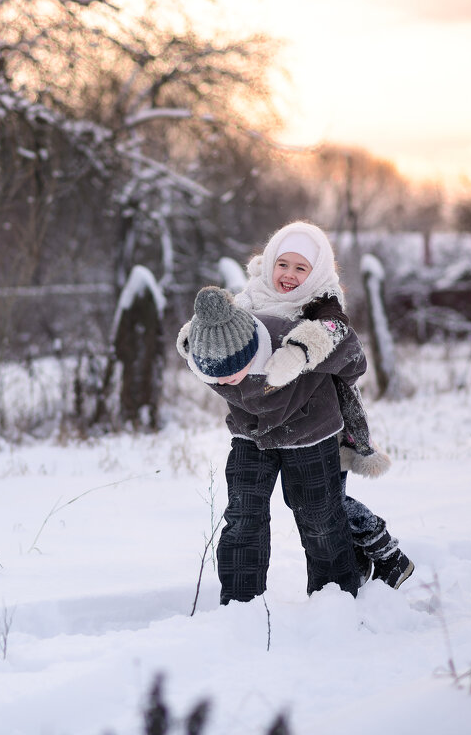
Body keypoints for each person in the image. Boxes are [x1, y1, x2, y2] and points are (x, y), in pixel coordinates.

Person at [234, 220, 414, 589]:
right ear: (269, 262)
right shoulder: (250, 298)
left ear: (315, 273)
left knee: (321, 506)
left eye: (301, 268)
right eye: (283, 264)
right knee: (310, 503)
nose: (289, 275)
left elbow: (336, 332)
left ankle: (383, 550)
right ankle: (363, 561)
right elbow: (223, 331)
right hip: (267, 423)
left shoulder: (322, 303)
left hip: (321, 425)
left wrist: (301, 350)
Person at [177, 285, 365, 602]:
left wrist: (322, 383)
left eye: (230, 373)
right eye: (215, 377)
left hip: (310, 429)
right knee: (242, 514)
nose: (222, 383)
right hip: (250, 432)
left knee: (318, 514)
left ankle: (335, 598)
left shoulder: (284, 338)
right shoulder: (202, 351)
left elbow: (353, 360)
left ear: (250, 351)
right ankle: (240, 603)